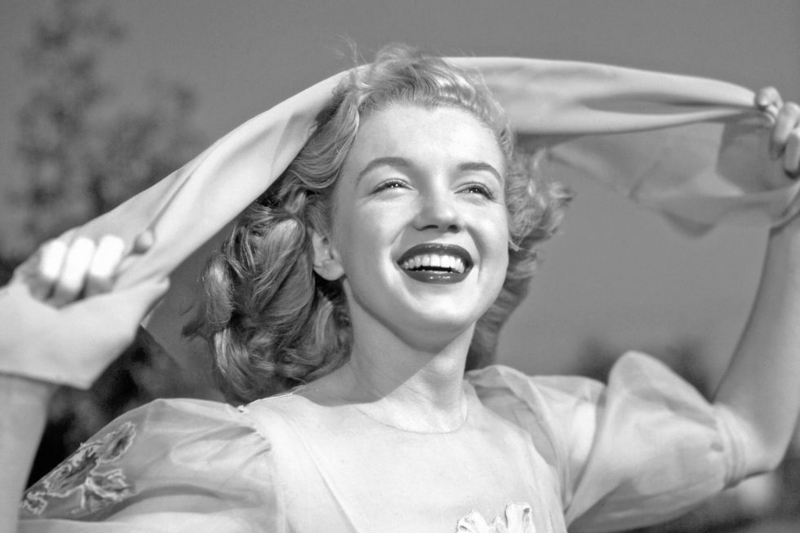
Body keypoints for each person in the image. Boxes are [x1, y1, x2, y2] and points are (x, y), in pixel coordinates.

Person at [3, 45, 800, 533]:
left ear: (508, 231)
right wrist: (20, 384)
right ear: (325, 244)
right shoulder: (255, 468)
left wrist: (795, 209)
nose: (442, 213)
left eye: (476, 187)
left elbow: (748, 435)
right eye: (392, 184)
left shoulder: (536, 432)